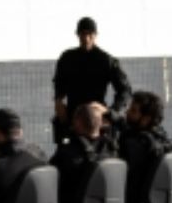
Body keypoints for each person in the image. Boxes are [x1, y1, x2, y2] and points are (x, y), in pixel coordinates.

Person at [39, 102, 119, 203]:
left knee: (45, 201)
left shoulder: (68, 151)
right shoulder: (110, 149)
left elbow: (51, 175)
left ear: (78, 123)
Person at [52, 17, 132, 148]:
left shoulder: (107, 60)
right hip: (73, 116)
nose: (86, 38)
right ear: (78, 35)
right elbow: (59, 82)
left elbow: (125, 90)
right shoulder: (67, 58)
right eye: (83, 34)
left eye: (90, 34)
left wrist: (110, 112)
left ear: (95, 35)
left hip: (97, 117)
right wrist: (58, 101)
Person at [117, 90, 172, 203]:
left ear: (146, 119)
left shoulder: (137, 143)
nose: (127, 113)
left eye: (133, 111)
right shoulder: (161, 139)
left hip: (132, 200)